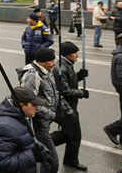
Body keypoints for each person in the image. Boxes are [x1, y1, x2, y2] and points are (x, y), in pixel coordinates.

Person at [18, 47, 62, 173]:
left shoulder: (45, 71)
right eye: (52, 61)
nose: (54, 63)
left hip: (45, 120)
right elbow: (29, 102)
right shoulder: (32, 75)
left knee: (42, 156)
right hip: (38, 123)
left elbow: (50, 93)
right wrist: (52, 114)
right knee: (52, 162)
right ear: (43, 61)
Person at [0, 87, 50, 173]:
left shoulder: (23, 116)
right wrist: (32, 155)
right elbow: (4, 163)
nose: (37, 107)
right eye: (33, 105)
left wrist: (40, 148)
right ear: (21, 105)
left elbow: (25, 140)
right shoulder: (4, 128)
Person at [51, 42, 89, 171]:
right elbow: (64, 91)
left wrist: (79, 76)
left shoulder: (68, 65)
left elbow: (69, 83)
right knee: (73, 135)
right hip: (65, 108)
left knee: (68, 134)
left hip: (69, 106)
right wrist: (81, 93)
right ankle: (40, 146)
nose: (77, 55)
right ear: (69, 54)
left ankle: (42, 146)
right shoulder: (62, 68)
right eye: (75, 53)